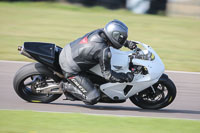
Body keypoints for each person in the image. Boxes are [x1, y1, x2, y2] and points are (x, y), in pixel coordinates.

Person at [59, 20, 137, 105]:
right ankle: (65, 86)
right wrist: (126, 77)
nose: (122, 40)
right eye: (121, 38)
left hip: (68, 50)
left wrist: (127, 43)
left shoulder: (101, 32)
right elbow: (108, 76)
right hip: (70, 67)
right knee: (93, 97)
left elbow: (113, 38)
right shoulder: (103, 51)